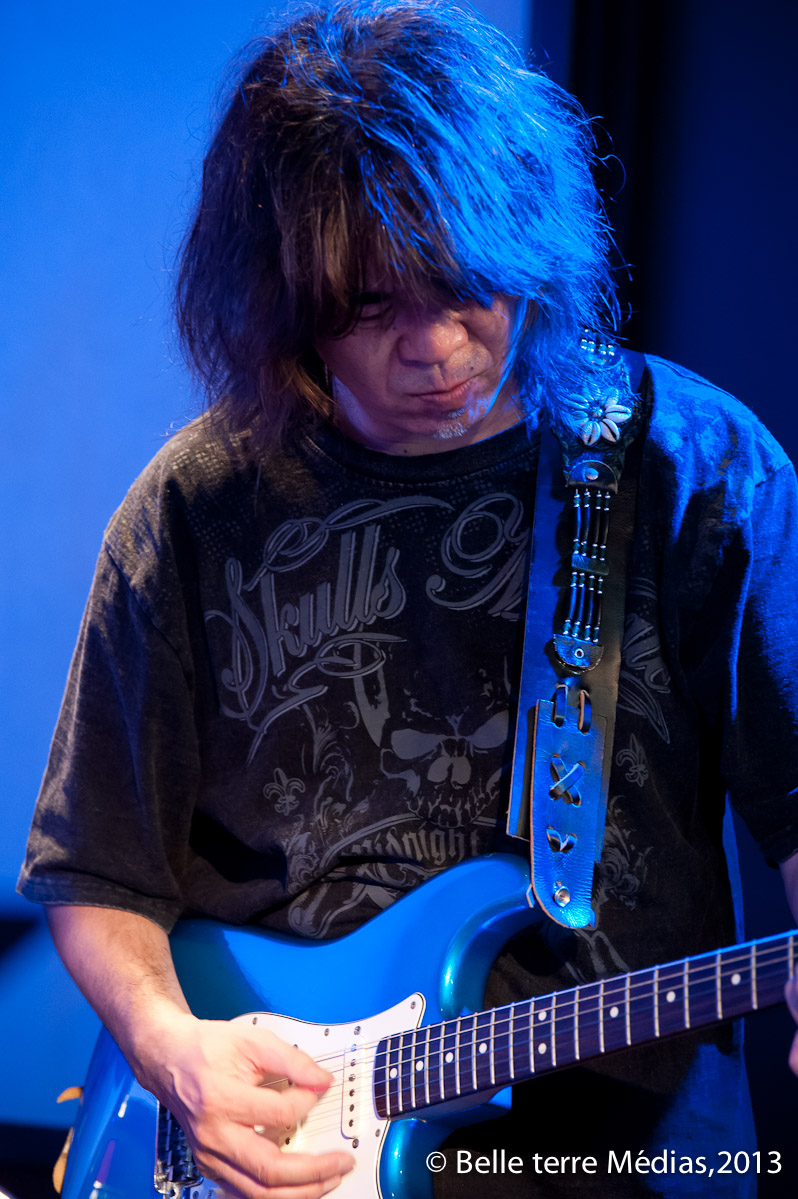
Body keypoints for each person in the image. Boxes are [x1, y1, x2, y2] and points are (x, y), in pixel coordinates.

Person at [17, 1, 798, 1196]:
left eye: (466, 285)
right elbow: (96, 872)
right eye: (372, 306)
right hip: (272, 1158)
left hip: (619, 1154)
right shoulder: (194, 505)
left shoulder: (692, 467)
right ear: (282, 302)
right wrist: (175, 1051)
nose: (435, 347)